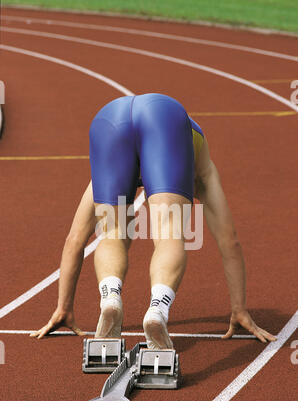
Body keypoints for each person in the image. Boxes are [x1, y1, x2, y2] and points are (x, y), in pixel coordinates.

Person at [30, 93, 276, 346]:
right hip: (164, 116)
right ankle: (157, 308)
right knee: (169, 232)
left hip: (110, 119)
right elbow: (229, 242)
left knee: (113, 232)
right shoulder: (203, 172)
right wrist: (239, 309)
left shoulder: (113, 171)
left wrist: (64, 307)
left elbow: (75, 240)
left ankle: (110, 297)